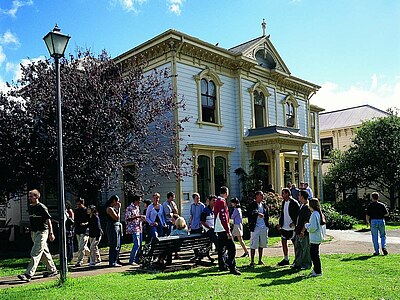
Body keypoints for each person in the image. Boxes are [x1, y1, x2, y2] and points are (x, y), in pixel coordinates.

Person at [18, 189, 58, 282]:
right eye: (29, 196)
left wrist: (51, 233)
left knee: (35, 252)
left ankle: (28, 274)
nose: (29, 198)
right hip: (34, 232)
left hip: (42, 232)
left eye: (31, 196)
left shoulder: (42, 207)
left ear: (36, 197)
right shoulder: (30, 207)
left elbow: (48, 221)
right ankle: (53, 270)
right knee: (44, 252)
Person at [214, 186, 241, 275]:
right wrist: (228, 230)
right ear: (226, 193)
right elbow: (223, 217)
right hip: (222, 228)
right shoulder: (222, 202)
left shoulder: (217, 201)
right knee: (232, 248)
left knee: (221, 248)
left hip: (218, 228)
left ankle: (222, 266)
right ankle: (232, 267)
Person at [277, 188, 300, 266]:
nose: (282, 195)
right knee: (283, 242)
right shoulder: (283, 202)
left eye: (283, 193)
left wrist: (294, 223)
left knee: (295, 243)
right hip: (284, 226)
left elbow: (298, 214)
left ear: (287, 194)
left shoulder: (294, 202)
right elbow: (282, 214)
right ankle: (286, 258)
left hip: (292, 227)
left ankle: (297, 259)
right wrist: (280, 223)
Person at [305, 198, 326, 277]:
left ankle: (318, 271)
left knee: (314, 255)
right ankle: (316, 269)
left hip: (315, 237)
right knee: (315, 254)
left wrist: (307, 226)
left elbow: (313, 227)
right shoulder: (318, 213)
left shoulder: (314, 214)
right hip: (317, 237)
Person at [247, 191, 269, 267]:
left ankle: (260, 260)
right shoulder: (252, 205)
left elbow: (267, 215)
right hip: (255, 227)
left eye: (263, 195)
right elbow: (251, 213)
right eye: (261, 195)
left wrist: (267, 225)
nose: (262, 197)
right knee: (253, 244)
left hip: (263, 226)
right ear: (256, 196)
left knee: (262, 243)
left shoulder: (264, 205)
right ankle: (252, 261)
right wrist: (257, 214)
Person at [292, 190, 312, 269]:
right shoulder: (301, 205)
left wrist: (303, 231)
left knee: (305, 249)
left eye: (299, 195)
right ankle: (298, 263)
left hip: (303, 232)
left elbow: (306, 221)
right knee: (298, 248)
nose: (298, 197)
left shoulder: (307, 207)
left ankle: (306, 264)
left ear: (303, 197)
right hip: (298, 230)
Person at [125, 195, 144, 265]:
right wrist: (138, 216)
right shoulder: (129, 208)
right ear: (136, 200)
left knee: (139, 245)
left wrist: (141, 219)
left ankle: (137, 259)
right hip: (133, 228)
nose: (140, 202)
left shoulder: (137, 207)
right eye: (139, 200)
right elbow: (128, 218)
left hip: (139, 227)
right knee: (137, 244)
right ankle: (131, 260)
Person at [105, 195, 122, 267]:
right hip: (112, 227)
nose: (118, 202)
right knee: (113, 244)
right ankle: (112, 261)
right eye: (117, 201)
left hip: (116, 226)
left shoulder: (112, 208)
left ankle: (116, 259)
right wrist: (119, 209)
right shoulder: (109, 209)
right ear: (114, 201)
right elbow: (116, 218)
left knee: (118, 244)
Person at [74, 198, 89, 267]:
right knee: (83, 247)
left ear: (83, 203)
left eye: (79, 204)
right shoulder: (76, 211)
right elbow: (75, 220)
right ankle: (94, 256)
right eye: (77, 204)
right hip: (78, 230)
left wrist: (85, 224)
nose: (78, 206)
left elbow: (89, 220)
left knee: (81, 246)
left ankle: (80, 260)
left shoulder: (86, 210)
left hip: (85, 230)